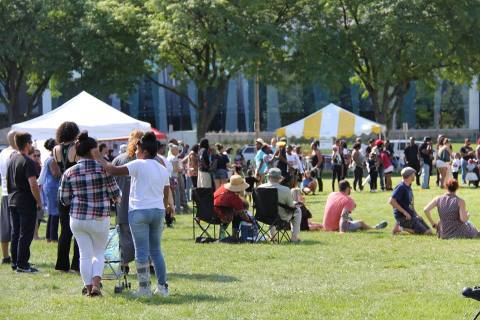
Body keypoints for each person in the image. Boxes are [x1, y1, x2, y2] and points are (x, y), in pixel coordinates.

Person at [95, 131, 172, 297]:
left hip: (139, 211)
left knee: (141, 252)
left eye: (137, 150)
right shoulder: (162, 167)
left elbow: (112, 170)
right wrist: (164, 208)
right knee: (156, 251)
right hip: (158, 211)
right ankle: (162, 287)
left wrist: (98, 157)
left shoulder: (138, 164)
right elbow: (166, 192)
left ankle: (144, 289)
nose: (135, 152)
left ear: (144, 151)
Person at [59, 131, 121, 296]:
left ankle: (87, 289)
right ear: (95, 151)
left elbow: (64, 199)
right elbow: (116, 194)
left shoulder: (69, 172)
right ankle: (95, 285)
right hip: (100, 216)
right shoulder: (104, 169)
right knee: (98, 253)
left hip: (78, 218)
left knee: (84, 254)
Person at [7, 132, 43, 272]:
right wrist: (39, 201)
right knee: (26, 233)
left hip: (12, 199)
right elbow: (33, 184)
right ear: (28, 144)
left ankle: (15, 262)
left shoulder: (12, 159)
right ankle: (22, 264)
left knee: (15, 233)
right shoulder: (28, 161)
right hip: (25, 201)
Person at [111, 130, 143, 275]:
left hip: (123, 204)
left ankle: (124, 264)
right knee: (143, 236)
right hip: (142, 205)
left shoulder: (118, 160)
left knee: (124, 237)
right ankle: (147, 265)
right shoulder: (148, 161)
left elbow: (109, 180)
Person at [54, 121, 80, 272]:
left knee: (64, 230)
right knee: (77, 229)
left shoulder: (56, 148)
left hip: (61, 190)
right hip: (75, 191)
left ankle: (61, 265)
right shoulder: (75, 148)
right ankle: (76, 264)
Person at [323, 180, 387, 232]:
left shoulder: (331, 194)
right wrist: (341, 231)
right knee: (361, 223)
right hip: (336, 228)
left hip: (326, 226)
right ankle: (374, 228)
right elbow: (344, 215)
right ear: (348, 188)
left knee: (350, 218)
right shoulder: (348, 200)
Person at [257, 168, 301, 242]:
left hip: (263, 216)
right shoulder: (285, 189)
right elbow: (291, 207)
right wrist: (295, 204)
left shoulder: (259, 188)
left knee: (270, 209)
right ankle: (294, 237)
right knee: (298, 210)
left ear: (268, 177)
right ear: (279, 178)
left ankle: (272, 236)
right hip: (281, 217)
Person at [389, 167, 432, 235]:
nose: (414, 176)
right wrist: (405, 212)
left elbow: (410, 204)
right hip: (403, 217)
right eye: (413, 174)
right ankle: (400, 227)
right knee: (426, 233)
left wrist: (416, 214)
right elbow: (391, 201)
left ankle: (400, 227)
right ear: (409, 176)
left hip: (412, 216)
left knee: (429, 231)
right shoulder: (401, 187)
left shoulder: (408, 186)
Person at [213, 174, 252, 239]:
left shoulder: (222, 187)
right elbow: (242, 214)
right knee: (238, 215)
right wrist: (249, 220)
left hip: (210, 214)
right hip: (221, 217)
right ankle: (235, 235)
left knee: (232, 212)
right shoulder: (235, 199)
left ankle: (222, 231)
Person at [38, 138, 61, 242]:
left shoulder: (48, 158)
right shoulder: (53, 159)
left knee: (52, 211)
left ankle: (48, 236)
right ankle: (53, 237)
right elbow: (55, 174)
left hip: (48, 186)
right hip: (53, 187)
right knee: (55, 212)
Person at [0, 130, 17, 264]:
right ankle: (17, 257)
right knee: (17, 227)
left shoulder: (3, 152)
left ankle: (6, 256)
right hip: (15, 194)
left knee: (5, 227)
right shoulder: (15, 154)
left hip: (5, 193)